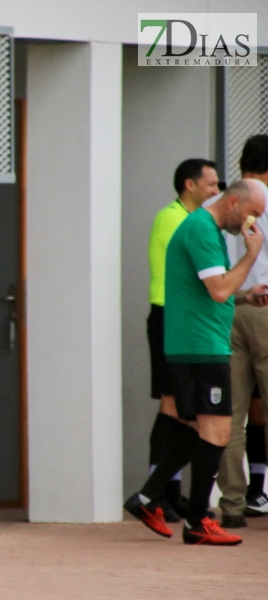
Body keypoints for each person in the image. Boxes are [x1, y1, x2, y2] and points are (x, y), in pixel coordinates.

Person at [125, 179, 268, 546]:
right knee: (218, 431)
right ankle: (197, 521)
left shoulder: (208, 229)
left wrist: (247, 296)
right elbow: (218, 290)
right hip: (201, 346)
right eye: (254, 213)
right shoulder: (202, 230)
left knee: (200, 428)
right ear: (233, 201)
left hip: (200, 342)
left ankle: (146, 498)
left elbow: (213, 291)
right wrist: (252, 255)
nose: (255, 223)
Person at [144, 159, 219, 522]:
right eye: (211, 185)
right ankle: (158, 493)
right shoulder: (175, 218)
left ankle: (165, 492)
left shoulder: (191, 219)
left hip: (181, 320)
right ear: (190, 185)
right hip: (167, 317)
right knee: (171, 406)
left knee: (184, 410)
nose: (216, 192)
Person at [215, 135, 268, 527]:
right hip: (264, 305)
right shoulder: (263, 201)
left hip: (225, 308)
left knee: (230, 415)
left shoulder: (219, 204)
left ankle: (231, 507)